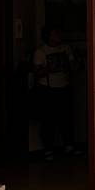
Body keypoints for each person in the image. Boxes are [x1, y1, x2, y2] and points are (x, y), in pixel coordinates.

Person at [33, 26, 77, 159]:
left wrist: (68, 66)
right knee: (48, 120)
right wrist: (49, 68)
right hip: (47, 89)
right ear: (48, 36)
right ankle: (48, 149)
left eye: (58, 32)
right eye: (54, 33)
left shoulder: (66, 48)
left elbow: (73, 66)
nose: (58, 35)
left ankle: (69, 145)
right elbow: (36, 73)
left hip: (64, 86)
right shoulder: (41, 52)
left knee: (66, 118)